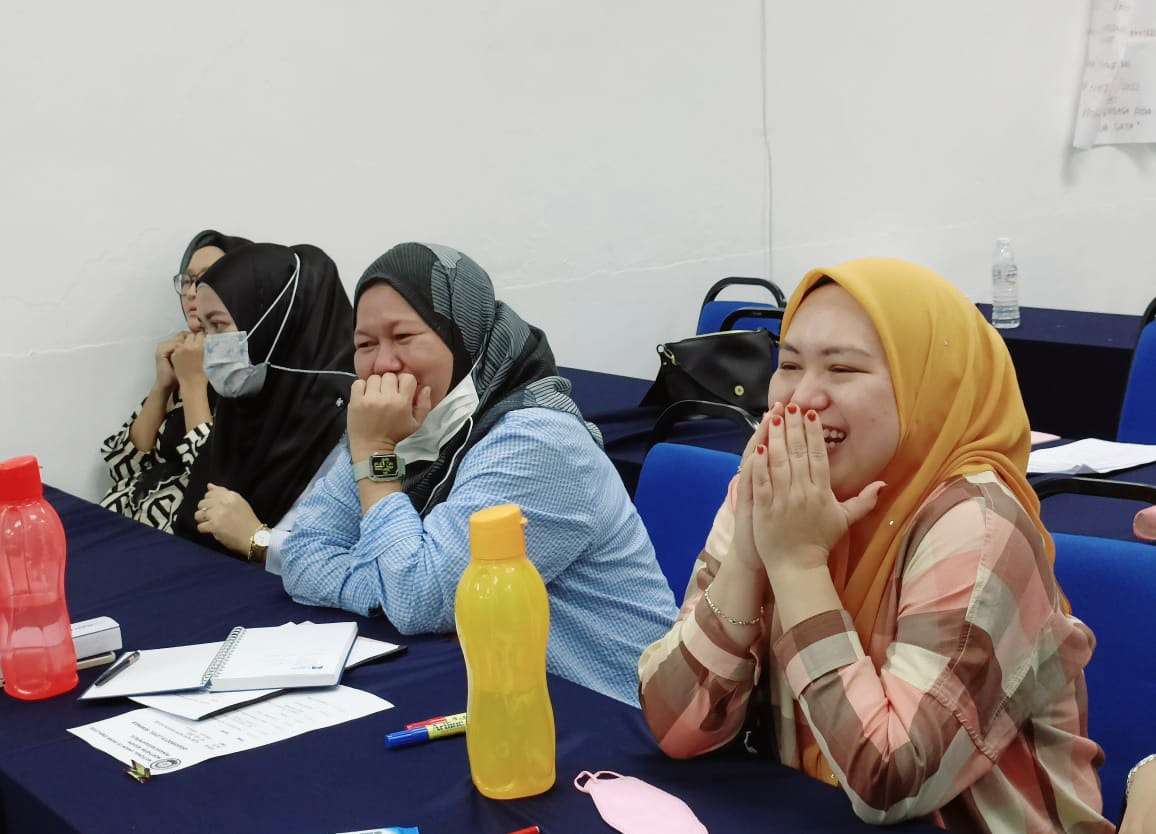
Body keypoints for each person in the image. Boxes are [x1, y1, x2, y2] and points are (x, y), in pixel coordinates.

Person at [639, 258, 1111, 833]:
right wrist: (747, 554)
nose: (801, 397)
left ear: (927, 388)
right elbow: (676, 727)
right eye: (789, 364)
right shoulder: (780, 490)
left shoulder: (978, 526)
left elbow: (888, 780)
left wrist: (797, 565)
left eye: (842, 368)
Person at [280, 242, 677, 706]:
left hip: (617, 712)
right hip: (504, 695)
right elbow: (302, 555)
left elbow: (417, 598)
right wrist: (388, 584)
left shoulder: (537, 440)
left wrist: (376, 455)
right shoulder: (398, 424)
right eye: (365, 345)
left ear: (463, 336)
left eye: (403, 337)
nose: (383, 364)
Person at [172, 241, 355, 573]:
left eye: (219, 325)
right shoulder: (243, 400)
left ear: (272, 325)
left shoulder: (344, 421)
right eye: (206, 328)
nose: (210, 344)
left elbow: (344, 564)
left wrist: (257, 539)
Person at [101, 229, 251, 531]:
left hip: (181, 535)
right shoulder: (183, 354)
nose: (193, 292)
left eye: (207, 279)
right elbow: (122, 466)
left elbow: (214, 481)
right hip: (123, 519)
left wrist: (194, 383)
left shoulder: (245, 369)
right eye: (187, 280)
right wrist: (163, 386)